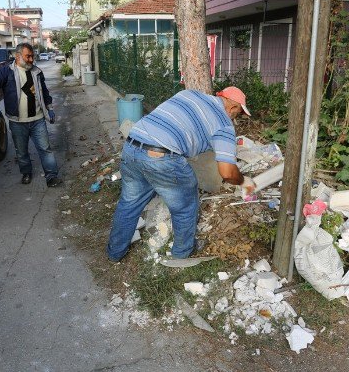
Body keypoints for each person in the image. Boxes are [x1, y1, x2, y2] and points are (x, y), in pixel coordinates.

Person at [106, 87, 255, 262]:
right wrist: (244, 182)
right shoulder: (224, 124)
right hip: (162, 157)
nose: (236, 117)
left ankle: (114, 253)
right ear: (233, 108)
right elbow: (227, 172)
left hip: (132, 145)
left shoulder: (189, 94)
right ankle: (182, 254)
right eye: (238, 113)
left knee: (129, 204)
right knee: (184, 207)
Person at [0, 43, 61, 187]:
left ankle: (51, 176)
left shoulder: (37, 72)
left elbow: (44, 92)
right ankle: (26, 173)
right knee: (22, 151)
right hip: (17, 121)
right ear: (18, 56)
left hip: (38, 119)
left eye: (32, 56)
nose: (31, 59)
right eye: (28, 56)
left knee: (45, 149)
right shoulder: (6, 72)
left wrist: (49, 108)